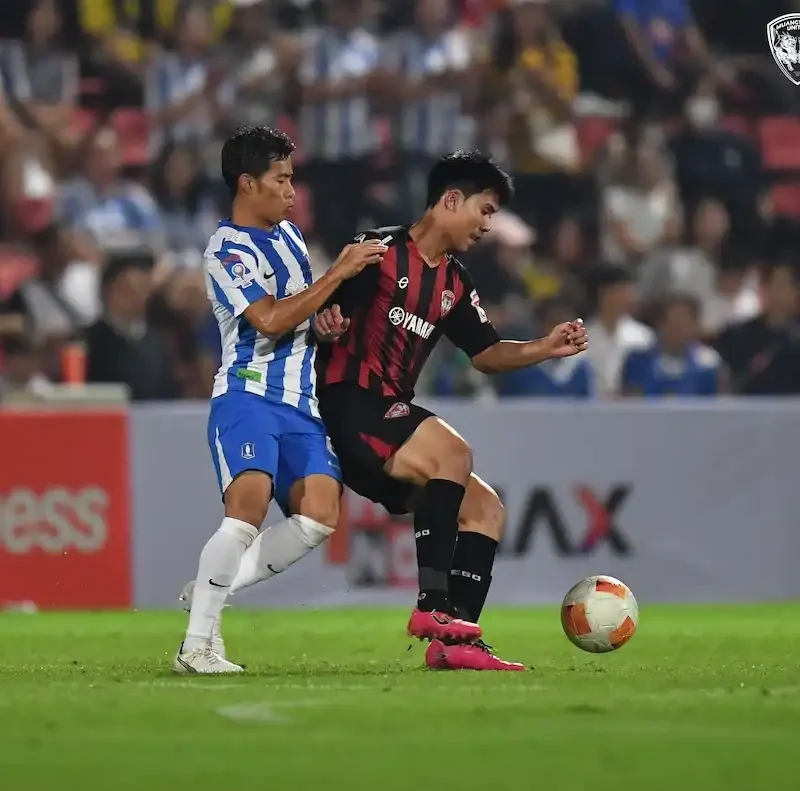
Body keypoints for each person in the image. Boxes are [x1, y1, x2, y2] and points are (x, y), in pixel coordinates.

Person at [221, 151, 588, 671]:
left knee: (485, 510)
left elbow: (485, 354)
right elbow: (314, 310)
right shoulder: (376, 252)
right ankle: (432, 607)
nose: (488, 225)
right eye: (484, 211)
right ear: (451, 200)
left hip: (388, 418)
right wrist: (326, 325)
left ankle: (454, 646)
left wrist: (543, 347)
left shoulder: (455, 283)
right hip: (346, 406)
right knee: (453, 454)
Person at [174, 126, 388, 674]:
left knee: (319, 514)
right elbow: (267, 318)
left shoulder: (290, 237)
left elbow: (295, 315)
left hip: (301, 401)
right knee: (247, 507)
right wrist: (338, 271)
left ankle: (211, 589)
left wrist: (324, 325)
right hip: (247, 394)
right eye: (282, 179)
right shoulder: (227, 249)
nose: (292, 191)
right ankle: (195, 647)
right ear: (248, 183)